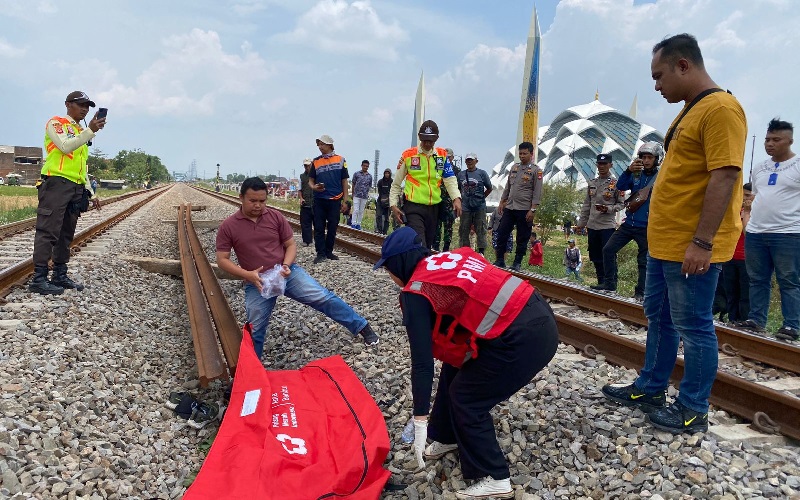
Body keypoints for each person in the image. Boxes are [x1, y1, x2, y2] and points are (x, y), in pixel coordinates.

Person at [602, 33, 746, 434]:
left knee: (694, 325)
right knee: (660, 318)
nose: (656, 85)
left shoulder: (721, 109)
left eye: (659, 75)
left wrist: (702, 241)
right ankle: (651, 386)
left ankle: (692, 407)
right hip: (664, 242)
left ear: (684, 65)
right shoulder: (690, 111)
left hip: (691, 245)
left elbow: (725, 176)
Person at [373, 227, 558, 499]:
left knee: (467, 398)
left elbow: (422, 364)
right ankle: (446, 435)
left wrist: (420, 419)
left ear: (399, 263)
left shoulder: (416, 292)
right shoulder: (450, 258)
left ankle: (496, 478)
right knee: (455, 363)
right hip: (537, 313)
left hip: (525, 340)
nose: (390, 276)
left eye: (388, 268)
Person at [216, 177, 379, 358]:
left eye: (262, 201)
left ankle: (362, 326)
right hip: (257, 281)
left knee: (322, 297)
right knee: (255, 327)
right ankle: (253, 371)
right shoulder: (229, 226)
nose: (258, 205)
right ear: (241, 198)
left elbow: (291, 245)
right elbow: (223, 259)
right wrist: (248, 275)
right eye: (252, 201)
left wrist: (286, 265)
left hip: (287, 273)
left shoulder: (275, 217)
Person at [29, 91, 104, 295]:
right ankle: (39, 278)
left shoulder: (80, 130)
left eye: (87, 106)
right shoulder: (57, 123)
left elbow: (81, 166)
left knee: (65, 234)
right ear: (68, 105)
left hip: (75, 187)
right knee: (48, 231)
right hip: (56, 183)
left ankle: (60, 275)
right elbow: (64, 147)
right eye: (80, 104)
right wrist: (89, 131)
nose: (85, 109)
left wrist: (91, 192)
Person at [738, 119, 800, 341]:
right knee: (757, 279)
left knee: (789, 280)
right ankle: (756, 320)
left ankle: (791, 325)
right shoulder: (759, 168)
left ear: (790, 141)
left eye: (776, 139)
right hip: (756, 232)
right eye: (767, 139)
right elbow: (755, 197)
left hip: (788, 233)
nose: (770, 144)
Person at [598, 142, 663, 299]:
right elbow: (620, 186)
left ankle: (640, 293)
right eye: (644, 157)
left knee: (643, 261)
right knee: (608, 249)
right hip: (629, 223)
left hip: (646, 226)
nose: (646, 161)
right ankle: (610, 284)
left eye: (650, 157)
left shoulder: (661, 177)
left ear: (657, 159)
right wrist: (628, 170)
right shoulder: (636, 174)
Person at [389, 120, 462, 248]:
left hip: (433, 208)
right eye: (424, 140)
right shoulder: (408, 155)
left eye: (431, 141)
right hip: (413, 207)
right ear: (419, 138)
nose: (427, 144)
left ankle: (417, 267)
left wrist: (456, 198)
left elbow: (450, 179)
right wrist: (393, 205)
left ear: (436, 139)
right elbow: (396, 184)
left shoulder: (442, 156)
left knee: (428, 246)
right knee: (419, 243)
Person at [576, 154, 624, 288]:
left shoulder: (616, 184)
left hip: (607, 226)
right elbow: (587, 205)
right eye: (599, 164)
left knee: (608, 255)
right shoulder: (592, 183)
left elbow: (621, 204)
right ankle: (601, 281)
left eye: (605, 164)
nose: (601, 167)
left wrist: (608, 209)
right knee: (595, 255)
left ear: (611, 165)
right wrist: (581, 224)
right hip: (592, 225)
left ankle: (611, 282)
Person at [494, 142, 543, 271]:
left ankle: (517, 262)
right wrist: (502, 201)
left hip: (525, 209)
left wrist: (533, 209)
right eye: (520, 153)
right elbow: (508, 187)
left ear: (531, 154)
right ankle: (500, 260)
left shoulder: (536, 171)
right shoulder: (514, 168)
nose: (522, 156)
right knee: (502, 232)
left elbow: (537, 192)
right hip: (510, 207)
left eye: (525, 153)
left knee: (522, 237)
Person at [308, 134, 349, 264]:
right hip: (319, 199)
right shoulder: (315, 161)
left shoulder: (341, 160)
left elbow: (344, 182)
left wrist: (345, 201)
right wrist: (314, 187)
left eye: (322, 144)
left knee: (332, 227)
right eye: (319, 144)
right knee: (319, 227)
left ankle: (329, 251)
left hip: (335, 199)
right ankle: (320, 253)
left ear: (330, 145)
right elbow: (310, 181)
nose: (320, 147)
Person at [721, 183, 753, 323]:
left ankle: (744, 321)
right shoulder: (734, 210)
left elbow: (749, 234)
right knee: (731, 292)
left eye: (747, 196)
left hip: (747, 259)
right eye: (743, 195)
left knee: (745, 294)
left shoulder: (756, 214)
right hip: (730, 256)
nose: (744, 199)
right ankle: (732, 319)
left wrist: (746, 214)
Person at [456, 153, 492, 254]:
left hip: (479, 206)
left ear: (476, 161)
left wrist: (482, 198)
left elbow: (489, 188)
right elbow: (458, 188)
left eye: (471, 160)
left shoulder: (482, 173)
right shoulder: (461, 175)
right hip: (466, 207)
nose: (469, 162)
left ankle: (481, 252)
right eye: (467, 160)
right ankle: (464, 251)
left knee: (481, 228)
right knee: (463, 229)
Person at [433, 148, 458, 252]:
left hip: (449, 204)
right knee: (436, 227)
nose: (447, 159)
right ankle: (435, 248)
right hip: (438, 201)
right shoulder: (437, 168)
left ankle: (446, 250)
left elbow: (458, 187)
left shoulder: (456, 171)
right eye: (445, 157)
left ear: (452, 158)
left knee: (448, 228)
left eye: (448, 157)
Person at [350, 160, 372, 230]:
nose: (365, 167)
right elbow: (353, 183)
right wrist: (353, 193)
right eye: (364, 166)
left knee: (361, 211)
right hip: (356, 195)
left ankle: (358, 224)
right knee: (356, 210)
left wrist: (367, 193)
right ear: (361, 165)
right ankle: (353, 223)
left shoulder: (370, 176)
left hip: (364, 196)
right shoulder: (356, 174)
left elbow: (369, 186)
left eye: (367, 166)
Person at [298, 159, 314, 246]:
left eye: (308, 165)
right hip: (305, 203)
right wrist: (301, 198)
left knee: (317, 223)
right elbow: (299, 190)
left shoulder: (316, 175)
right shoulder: (301, 177)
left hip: (315, 204)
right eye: (305, 165)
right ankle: (306, 240)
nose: (307, 167)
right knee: (305, 223)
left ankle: (314, 240)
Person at [375, 168, 393, 235]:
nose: (387, 174)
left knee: (387, 218)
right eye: (386, 173)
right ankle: (379, 230)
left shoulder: (392, 182)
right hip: (380, 201)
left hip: (388, 202)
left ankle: (385, 232)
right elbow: (379, 191)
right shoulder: (380, 182)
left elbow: (393, 192)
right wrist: (382, 198)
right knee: (378, 215)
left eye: (388, 173)